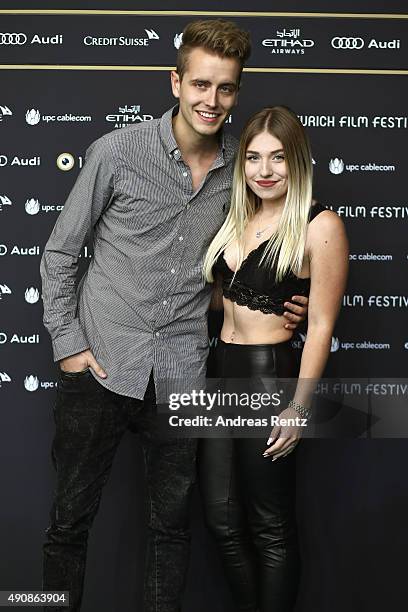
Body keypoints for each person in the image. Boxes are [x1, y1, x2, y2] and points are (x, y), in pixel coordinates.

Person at [40, 20, 308, 612]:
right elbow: (61, 252)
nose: (212, 101)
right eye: (201, 85)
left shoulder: (242, 169)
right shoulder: (117, 152)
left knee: (171, 531)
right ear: (175, 82)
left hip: (183, 372)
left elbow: (259, 255)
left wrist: (287, 297)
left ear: (237, 92)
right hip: (103, 366)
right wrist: (69, 345)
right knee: (68, 525)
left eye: (227, 88)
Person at [199, 106, 349, 612]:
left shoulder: (319, 225)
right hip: (219, 371)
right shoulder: (235, 216)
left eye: (278, 158)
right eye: (254, 158)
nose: (265, 171)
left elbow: (322, 326)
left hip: (269, 379)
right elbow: (224, 299)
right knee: (221, 518)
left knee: (269, 522)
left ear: (298, 162)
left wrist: (298, 407)